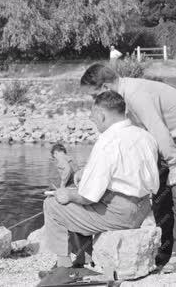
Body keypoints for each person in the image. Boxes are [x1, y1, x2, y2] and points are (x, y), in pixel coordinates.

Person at [80, 63, 176, 273]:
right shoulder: (121, 100)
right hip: (169, 137)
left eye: (93, 95)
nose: (93, 101)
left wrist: (175, 164)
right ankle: (165, 250)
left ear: (105, 87)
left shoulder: (136, 94)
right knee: (160, 192)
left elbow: (157, 129)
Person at [40, 90, 159, 274]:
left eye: (92, 114)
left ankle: (63, 266)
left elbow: (88, 196)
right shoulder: (144, 135)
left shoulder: (107, 141)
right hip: (143, 208)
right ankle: (83, 256)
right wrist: (87, 172)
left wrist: (67, 193)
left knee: (54, 204)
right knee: (78, 201)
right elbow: (128, 171)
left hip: (119, 213)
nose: (91, 118)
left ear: (101, 115)